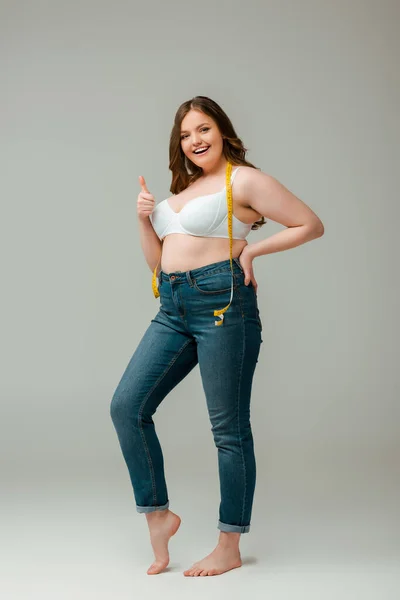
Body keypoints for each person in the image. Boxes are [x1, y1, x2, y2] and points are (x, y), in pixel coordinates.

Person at [110, 95, 324, 577]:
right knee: (127, 406)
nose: (195, 141)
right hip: (173, 305)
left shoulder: (242, 179)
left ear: (222, 131)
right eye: (186, 135)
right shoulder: (178, 195)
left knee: (227, 427)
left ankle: (229, 542)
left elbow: (310, 224)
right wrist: (145, 219)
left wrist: (251, 254)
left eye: (203, 129)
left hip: (222, 304)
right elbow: (156, 262)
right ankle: (159, 516)